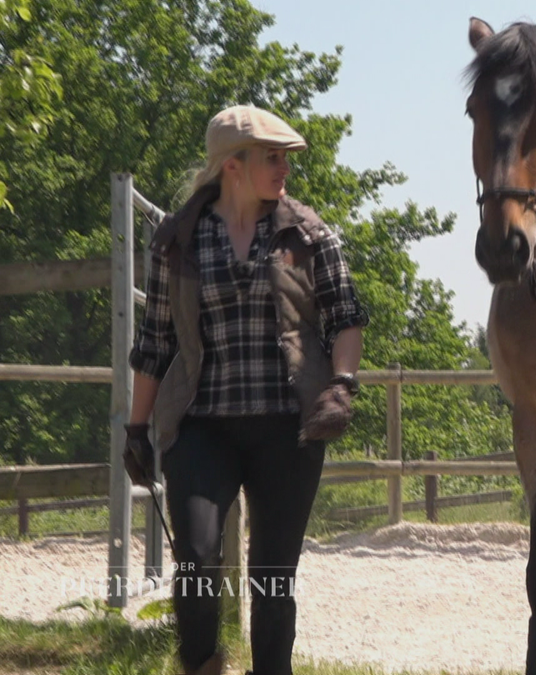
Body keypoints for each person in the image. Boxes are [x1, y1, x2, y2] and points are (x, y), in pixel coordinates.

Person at [122, 104, 369, 675]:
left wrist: (343, 386)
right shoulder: (177, 241)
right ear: (232, 165)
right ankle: (204, 665)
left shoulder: (307, 233)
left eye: (286, 158)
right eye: (272, 157)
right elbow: (155, 340)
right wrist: (136, 429)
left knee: (273, 576)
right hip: (202, 423)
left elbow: (345, 317)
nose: (284, 168)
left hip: (289, 423)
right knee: (198, 559)